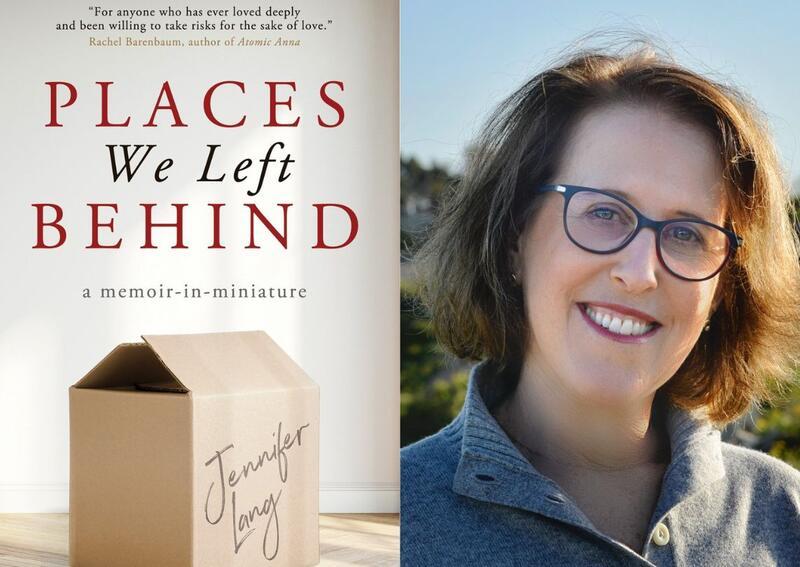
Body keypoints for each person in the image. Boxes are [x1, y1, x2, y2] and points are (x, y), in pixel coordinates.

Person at [401, 43, 800, 566]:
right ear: (514, 238)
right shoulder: (389, 523)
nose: (638, 273)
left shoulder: (783, 514)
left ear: (724, 289)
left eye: (686, 233)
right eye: (604, 213)